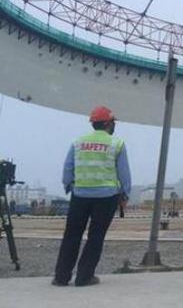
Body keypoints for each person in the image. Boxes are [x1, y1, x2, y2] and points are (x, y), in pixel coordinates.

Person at [53, 106, 131, 287]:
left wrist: (69, 185)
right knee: (96, 236)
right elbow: (124, 173)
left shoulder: (78, 142)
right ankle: (84, 277)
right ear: (108, 124)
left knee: (72, 235)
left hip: (80, 195)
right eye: (113, 122)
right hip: (106, 197)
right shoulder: (117, 144)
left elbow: (68, 168)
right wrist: (125, 194)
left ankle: (61, 277)